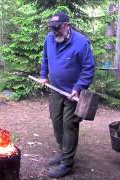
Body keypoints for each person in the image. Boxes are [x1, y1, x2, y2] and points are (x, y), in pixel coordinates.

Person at [39, 12, 95, 178]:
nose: (55, 32)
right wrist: (43, 75)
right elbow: (45, 57)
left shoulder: (81, 43)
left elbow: (88, 68)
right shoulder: (50, 38)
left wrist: (78, 87)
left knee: (69, 125)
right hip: (56, 90)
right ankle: (64, 153)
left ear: (67, 26)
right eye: (52, 29)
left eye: (58, 28)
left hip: (72, 94)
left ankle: (67, 163)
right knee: (57, 123)